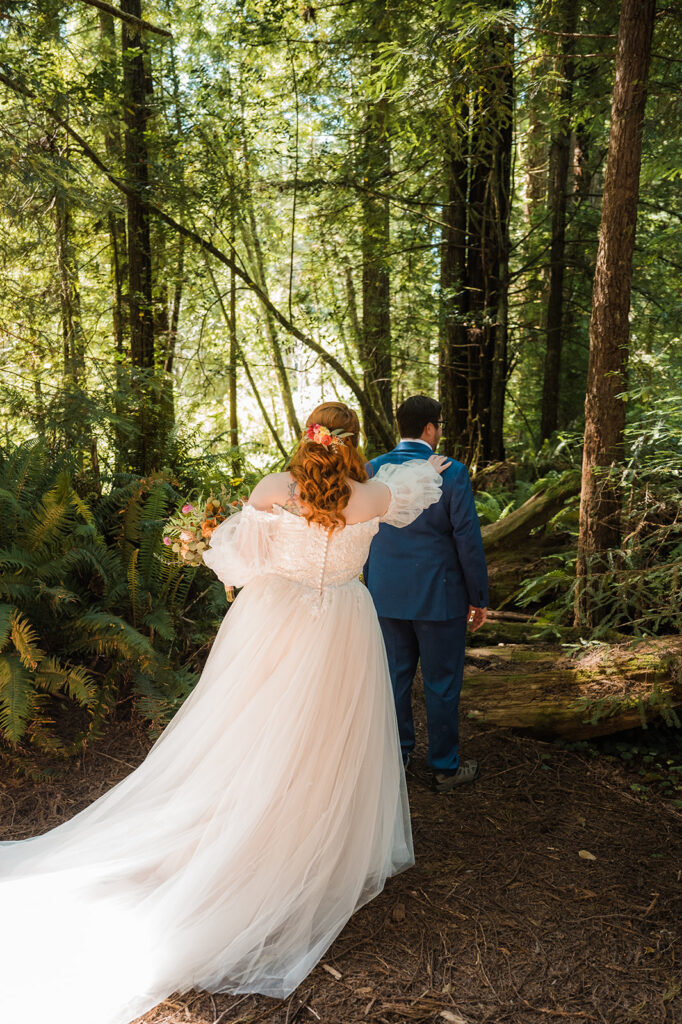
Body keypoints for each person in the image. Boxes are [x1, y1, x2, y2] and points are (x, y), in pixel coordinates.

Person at [0, 401, 449, 1024]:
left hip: (273, 623)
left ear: (307, 439)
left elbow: (238, 563)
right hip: (344, 624)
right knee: (327, 739)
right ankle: (311, 840)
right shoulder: (371, 498)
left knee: (253, 731)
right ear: (353, 444)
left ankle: (253, 824)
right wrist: (425, 464)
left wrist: (224, 540)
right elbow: (408, 488)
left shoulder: (272, 490)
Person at [365, 394, 489, 794]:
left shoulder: (372, 469)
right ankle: (444, 767)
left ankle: (398, 756)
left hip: (385, 593)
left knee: (395, 679)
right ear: (431, 428)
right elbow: (468, 539)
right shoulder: (451, 472)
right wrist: (479, 596)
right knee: (441, 682)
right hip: (440, 595)